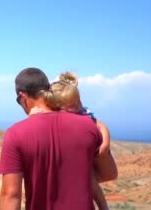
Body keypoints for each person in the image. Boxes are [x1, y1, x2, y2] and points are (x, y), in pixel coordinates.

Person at [0, 67, 117, 210]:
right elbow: (110, 174)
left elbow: (11, 195)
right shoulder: (88, 125)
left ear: (23, 96)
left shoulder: (15, 134)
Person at [46, 71, 112, 210]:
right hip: (75, 160)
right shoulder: (57, 118)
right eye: (72, 105)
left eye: (78, 102)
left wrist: (105, 144)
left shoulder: (84, 114)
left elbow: (101, 126)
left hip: (88, 158)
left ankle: (103, 206)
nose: (77, 106)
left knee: (91, 182)